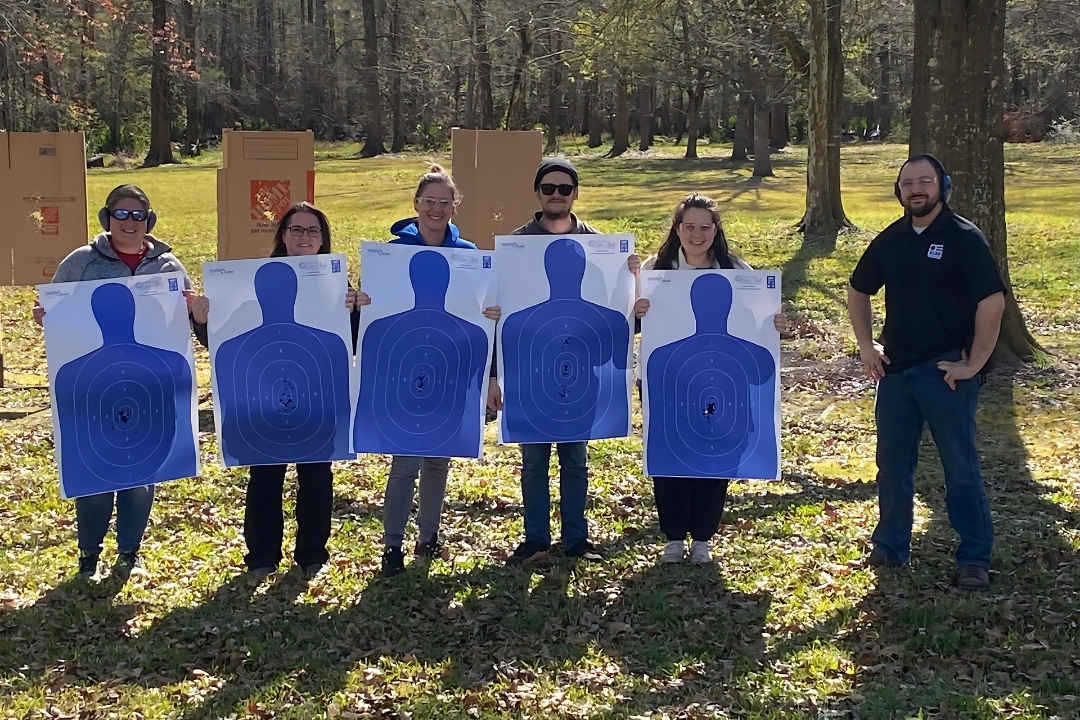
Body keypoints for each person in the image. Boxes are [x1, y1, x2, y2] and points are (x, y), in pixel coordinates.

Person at [32, 184, 210, 581]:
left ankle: (130, 551)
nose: (129, 223)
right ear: (107, 218)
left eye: (138, 215)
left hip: (147, 385)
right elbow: (56, 314)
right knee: (95, 473)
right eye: (121, 214)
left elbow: (188, 327)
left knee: (141, 476)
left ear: (149, 221)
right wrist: (46, 317)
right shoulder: (80, 263)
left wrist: (198, 313)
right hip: (96, 386)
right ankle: (88, 556)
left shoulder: (168, 267)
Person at [847, 154, 1005, 592]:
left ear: (942, 186)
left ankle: (974, 557)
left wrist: (973, 362)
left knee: (960, 467)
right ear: (899, 191)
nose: (916, 189)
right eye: (908, 183)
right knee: (892, 466)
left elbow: (992, 302)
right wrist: (866, 344)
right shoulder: (891, 239)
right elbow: (858, 289)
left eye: (925, 181)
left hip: (945, 371)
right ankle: (891, 546)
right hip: (895, 372)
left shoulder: (964, 238)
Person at [487, 157, 639, 566]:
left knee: (575, 461)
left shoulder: (599, 244)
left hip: (581, 371)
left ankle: (576, 539)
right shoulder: (516, 245)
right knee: (533, 462)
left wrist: (632, 279)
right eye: (549, 188)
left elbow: (618, 316)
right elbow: (498, 319)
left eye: (564, 189)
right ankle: (536, 539)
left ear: (576, 193)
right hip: (529, 372)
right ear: (537, 193)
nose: (557, 195)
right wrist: (494, 376)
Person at [198, 202, 360, 579]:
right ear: (283, 235)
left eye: (313, 230)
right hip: (263, 400)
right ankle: (261, 558)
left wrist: (355, 310)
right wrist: (202, 319)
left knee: (316, 477)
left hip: (316, 399)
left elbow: (351, 342)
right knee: (265, 478)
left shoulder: (338, 286)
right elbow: (221, 342)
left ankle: (312, 555)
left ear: (323, 239)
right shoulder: (249, 281)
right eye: (297, 229)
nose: (305, 237)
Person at [353, 164, 501, 578]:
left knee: (439, 461)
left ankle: (429, 537)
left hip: (450, 368)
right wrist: (360, 303)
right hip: (405, 367)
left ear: (456, 206)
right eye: (429, 201)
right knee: (405, 464)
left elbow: (482, 320)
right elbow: (370, 325)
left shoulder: (471, 256)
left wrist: (490, 314)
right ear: (416, 204)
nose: (437, 209)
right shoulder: (390, 253)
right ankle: (392, 545)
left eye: (445, 202)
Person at [634, 194, 789, 564]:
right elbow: (632, 324)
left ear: (716, 230)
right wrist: (637, 312)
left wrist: (776, 323)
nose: (696, 234)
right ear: (677, 229)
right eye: (689, 226)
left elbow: (759, 322)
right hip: (669, 379)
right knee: (671, 450)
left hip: (724, 377)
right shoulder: (656, 269)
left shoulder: (737, 270)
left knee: (716, 455)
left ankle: (703, 537)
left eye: (705, 226)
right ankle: (673, 536)